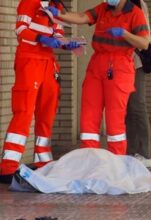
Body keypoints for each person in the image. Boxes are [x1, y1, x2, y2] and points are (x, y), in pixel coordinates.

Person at [46, 0, 149, 155]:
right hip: (98, 63)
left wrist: (124, 33)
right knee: (89, 114)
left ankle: (116, 162)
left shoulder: (135, 13)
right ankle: (89, 158)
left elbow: (144, 43)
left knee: (115, 120)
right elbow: (82, 17)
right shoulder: (104, 8)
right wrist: (59, 14)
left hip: (120, 66)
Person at [0, 0, 80, 184]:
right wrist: (40, 38)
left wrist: (65, 43)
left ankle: (44, 162)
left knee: (47, 114)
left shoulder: (55, 7)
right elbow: (21, 30)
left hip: (48, 63)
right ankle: (8, 166)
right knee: (24, 112)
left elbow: (58, 32)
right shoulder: (29, 2)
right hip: (29, 61)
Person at [125, 0, 151, 167]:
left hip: (135, 63)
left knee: (137, 105)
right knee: (127, 108)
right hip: (120, 64)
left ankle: (145, 152)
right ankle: (131, 150)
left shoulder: (138, 5)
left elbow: (145, 38)